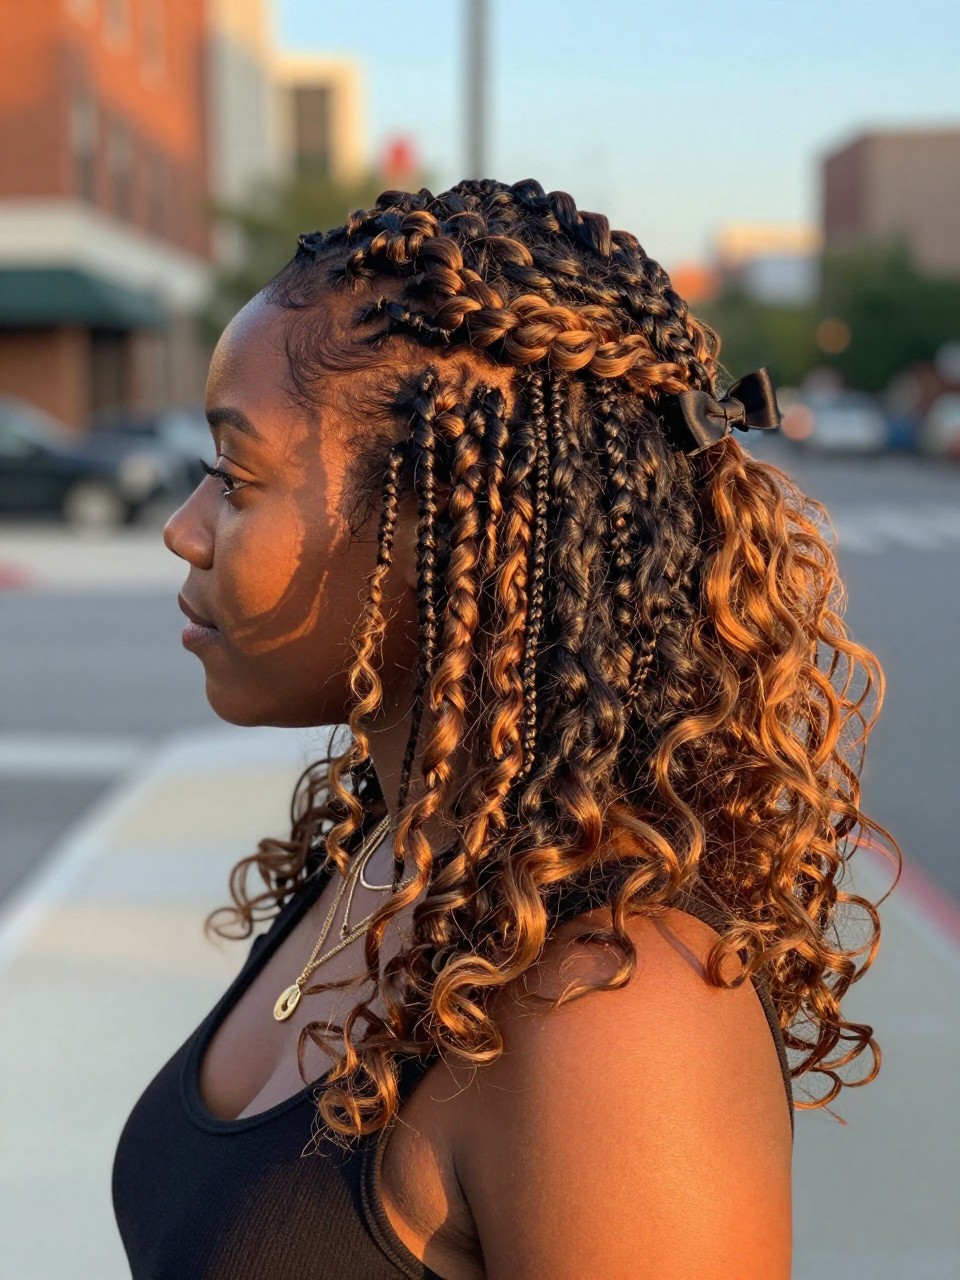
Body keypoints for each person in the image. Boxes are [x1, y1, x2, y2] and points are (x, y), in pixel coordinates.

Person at [112, 178, 900, 1279]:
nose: (183, 529)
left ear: (456, 532)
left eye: (237, 477)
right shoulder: (387, 854)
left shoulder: (613, 1015)